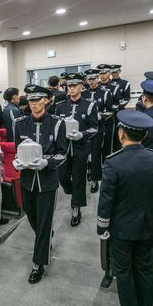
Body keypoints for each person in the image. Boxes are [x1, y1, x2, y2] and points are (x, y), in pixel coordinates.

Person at [97, 110, 153, 306]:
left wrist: (102, 226)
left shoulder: (113, 162)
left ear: (121, 134)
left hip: (122, 228)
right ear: (144, 136)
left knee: (124, 271)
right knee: (144, 269)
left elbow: (106, 199)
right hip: (147, 226)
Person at [12, 84, 67, 283]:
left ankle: (38, 263)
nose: (34, 103)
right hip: (27, 180)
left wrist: (47, 162)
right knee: (34, 218)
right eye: (31, 100)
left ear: (46, 100)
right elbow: (17, 149)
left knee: (44, 222)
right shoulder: (19, 123)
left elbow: (63, 154)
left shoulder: (57, 123)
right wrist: (15, 162)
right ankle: (45, 236)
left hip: (47, 181)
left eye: (38, 99)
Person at [55, 73, 98, 226]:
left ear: (81, 86)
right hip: (64, 149)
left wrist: (82, 134)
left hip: (80, 148)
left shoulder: (90, 105)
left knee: (79, 179)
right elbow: (55, 127)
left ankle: (76, 207)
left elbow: (94, 128)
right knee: (63, 178)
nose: (71, 88)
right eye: (69, 85)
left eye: (74, 85)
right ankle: (74, 193)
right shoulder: (60, 106)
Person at [82, 68, 113, 193]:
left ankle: (95, 180)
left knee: (95, 155)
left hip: (98, 129)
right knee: (85, 154)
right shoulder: (83, 93)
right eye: (89, 79)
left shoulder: (105, 92)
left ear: (97, 78)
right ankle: (88, 170)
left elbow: (110, 110)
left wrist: (99, 115)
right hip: (85, 129)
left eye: (94, 79)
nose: (92, 81)